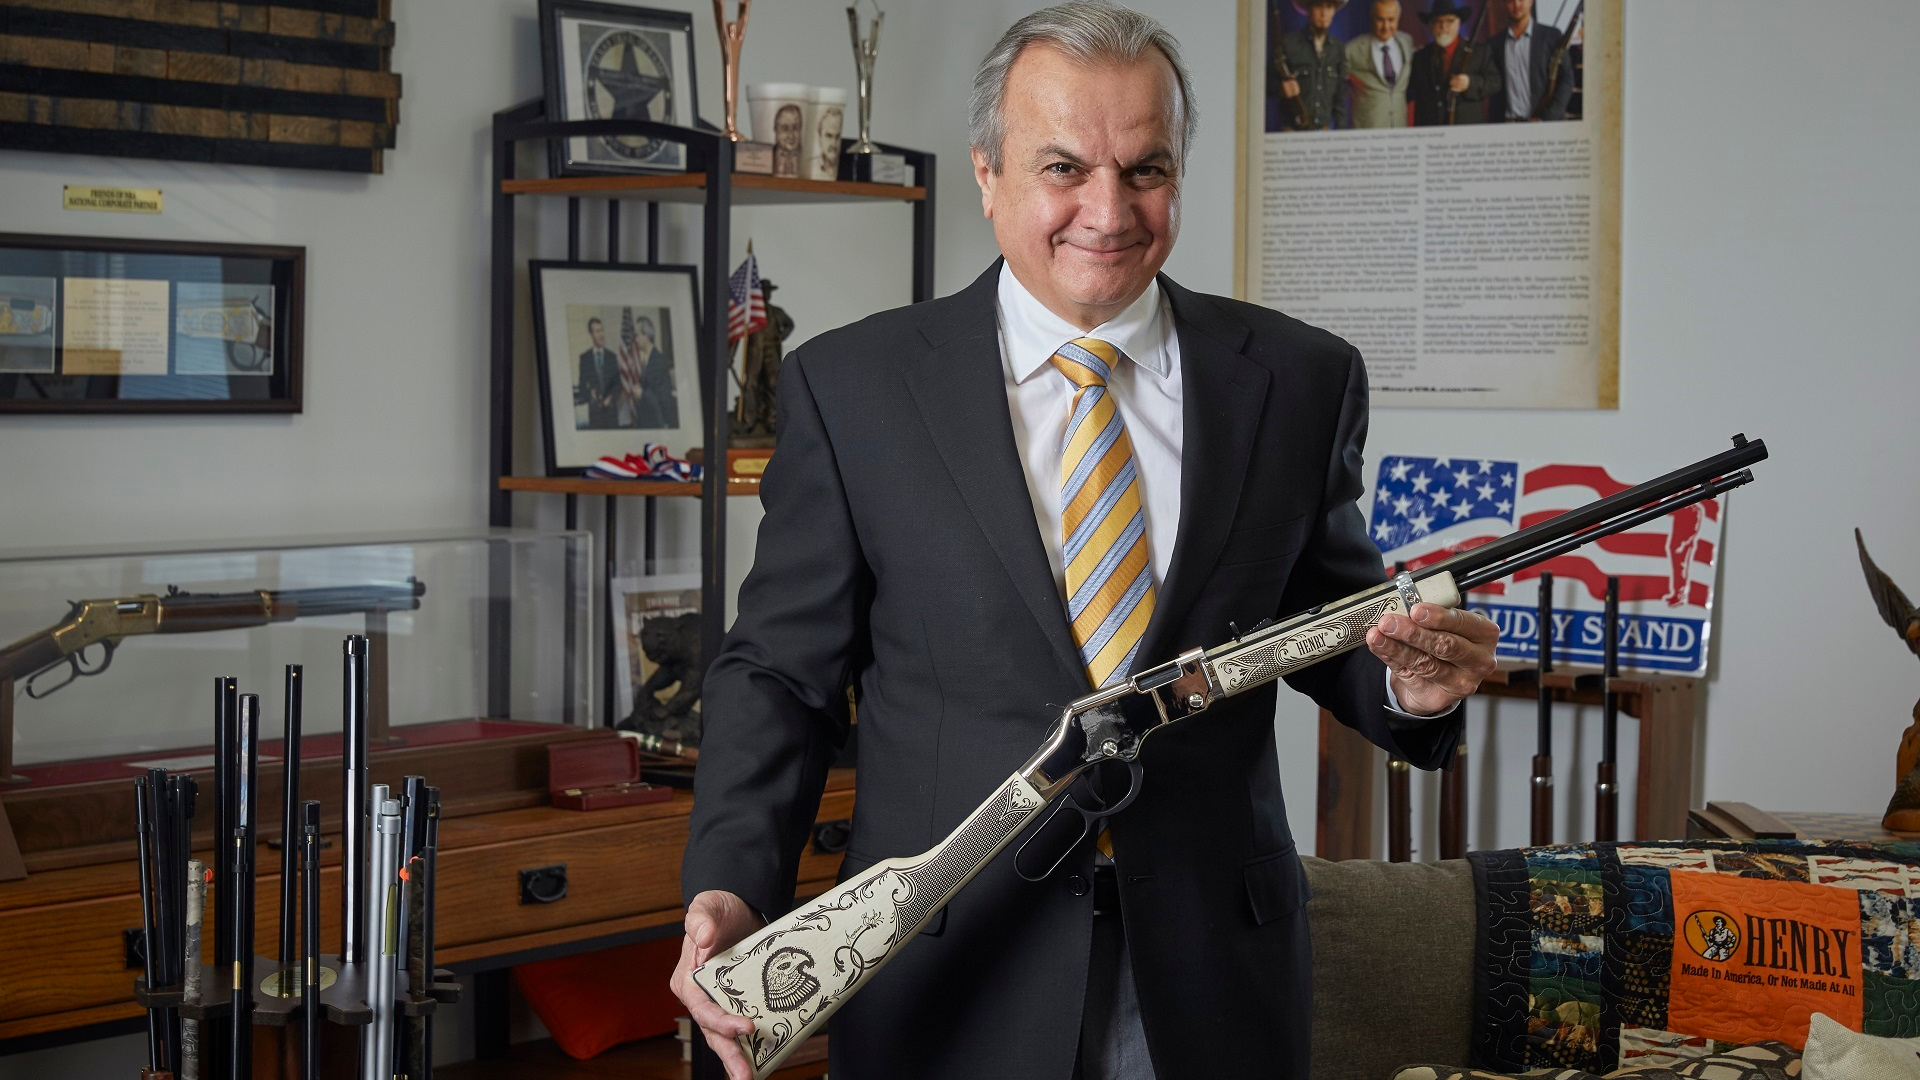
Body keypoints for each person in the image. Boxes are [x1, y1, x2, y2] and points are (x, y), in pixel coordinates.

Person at [669, 5, 1500, 1079]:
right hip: (946, 968)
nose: (1107, 212)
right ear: (988, 173)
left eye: (1145, 169)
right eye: (1064, 166)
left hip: (1211, 970)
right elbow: (781, 672)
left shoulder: (1299, 379)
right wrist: (733, 882)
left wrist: (1410, 690)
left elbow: (1327, 625)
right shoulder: (855, 387)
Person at [1409, 0, 1499, 125]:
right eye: (1438, 21)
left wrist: (1469, 83)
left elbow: (1495, 83)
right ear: (1430, 25)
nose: (1443, 26)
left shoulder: (1479, 52)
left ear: (1459, 23)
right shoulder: (1419, 57)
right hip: (1431, 135)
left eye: (1450, 21)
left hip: (1467, 131)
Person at [1271, 0, 1349, 131]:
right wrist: (1281, 88)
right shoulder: (1289, 44)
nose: (1324, 13)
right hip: (1292, 132)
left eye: (1329, 6)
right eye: (1319, 6)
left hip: (1324, 133)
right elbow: (1266, 82)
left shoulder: (1338, 49)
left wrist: (1340, 134)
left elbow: (1340, 97)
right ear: (1308, 8)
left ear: (1334, 10)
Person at [1489, 0, 1573, 121]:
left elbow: (1566, 80)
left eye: (1521, 0)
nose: (1516, 5)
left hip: (1544, 125)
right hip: (1507, 128)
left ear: (1531, 2)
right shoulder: (1495, 43)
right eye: (1510, 1)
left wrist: (1548, 119)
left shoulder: (1551, 36)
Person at [1345, 0, 1415, 129]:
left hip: (1400, 131)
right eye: (1380, 20)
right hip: (1367, 131)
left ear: (1398, 19)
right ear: (1372, 19)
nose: (1386, 26)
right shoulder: (1353, 49)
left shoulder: (1407, 43)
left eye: (1391, 20)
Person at [626, 315, 678, 429]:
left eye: (637, 335)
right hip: (648, 422)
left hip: (656, 425)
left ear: (646, 335)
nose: (635, 339)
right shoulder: (648, 359)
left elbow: (661, 398)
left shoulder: (657, 361)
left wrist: (641, 394)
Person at [576, 316, 621, 429]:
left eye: (601, 330)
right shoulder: (584, 359)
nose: (601, 335)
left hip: (611, 414)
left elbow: (618, 385)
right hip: (595, 415)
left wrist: (610, 398)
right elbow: (582, 387)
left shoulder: (612, 357)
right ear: (591, 334)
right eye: (597, 331)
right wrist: (590, 393)